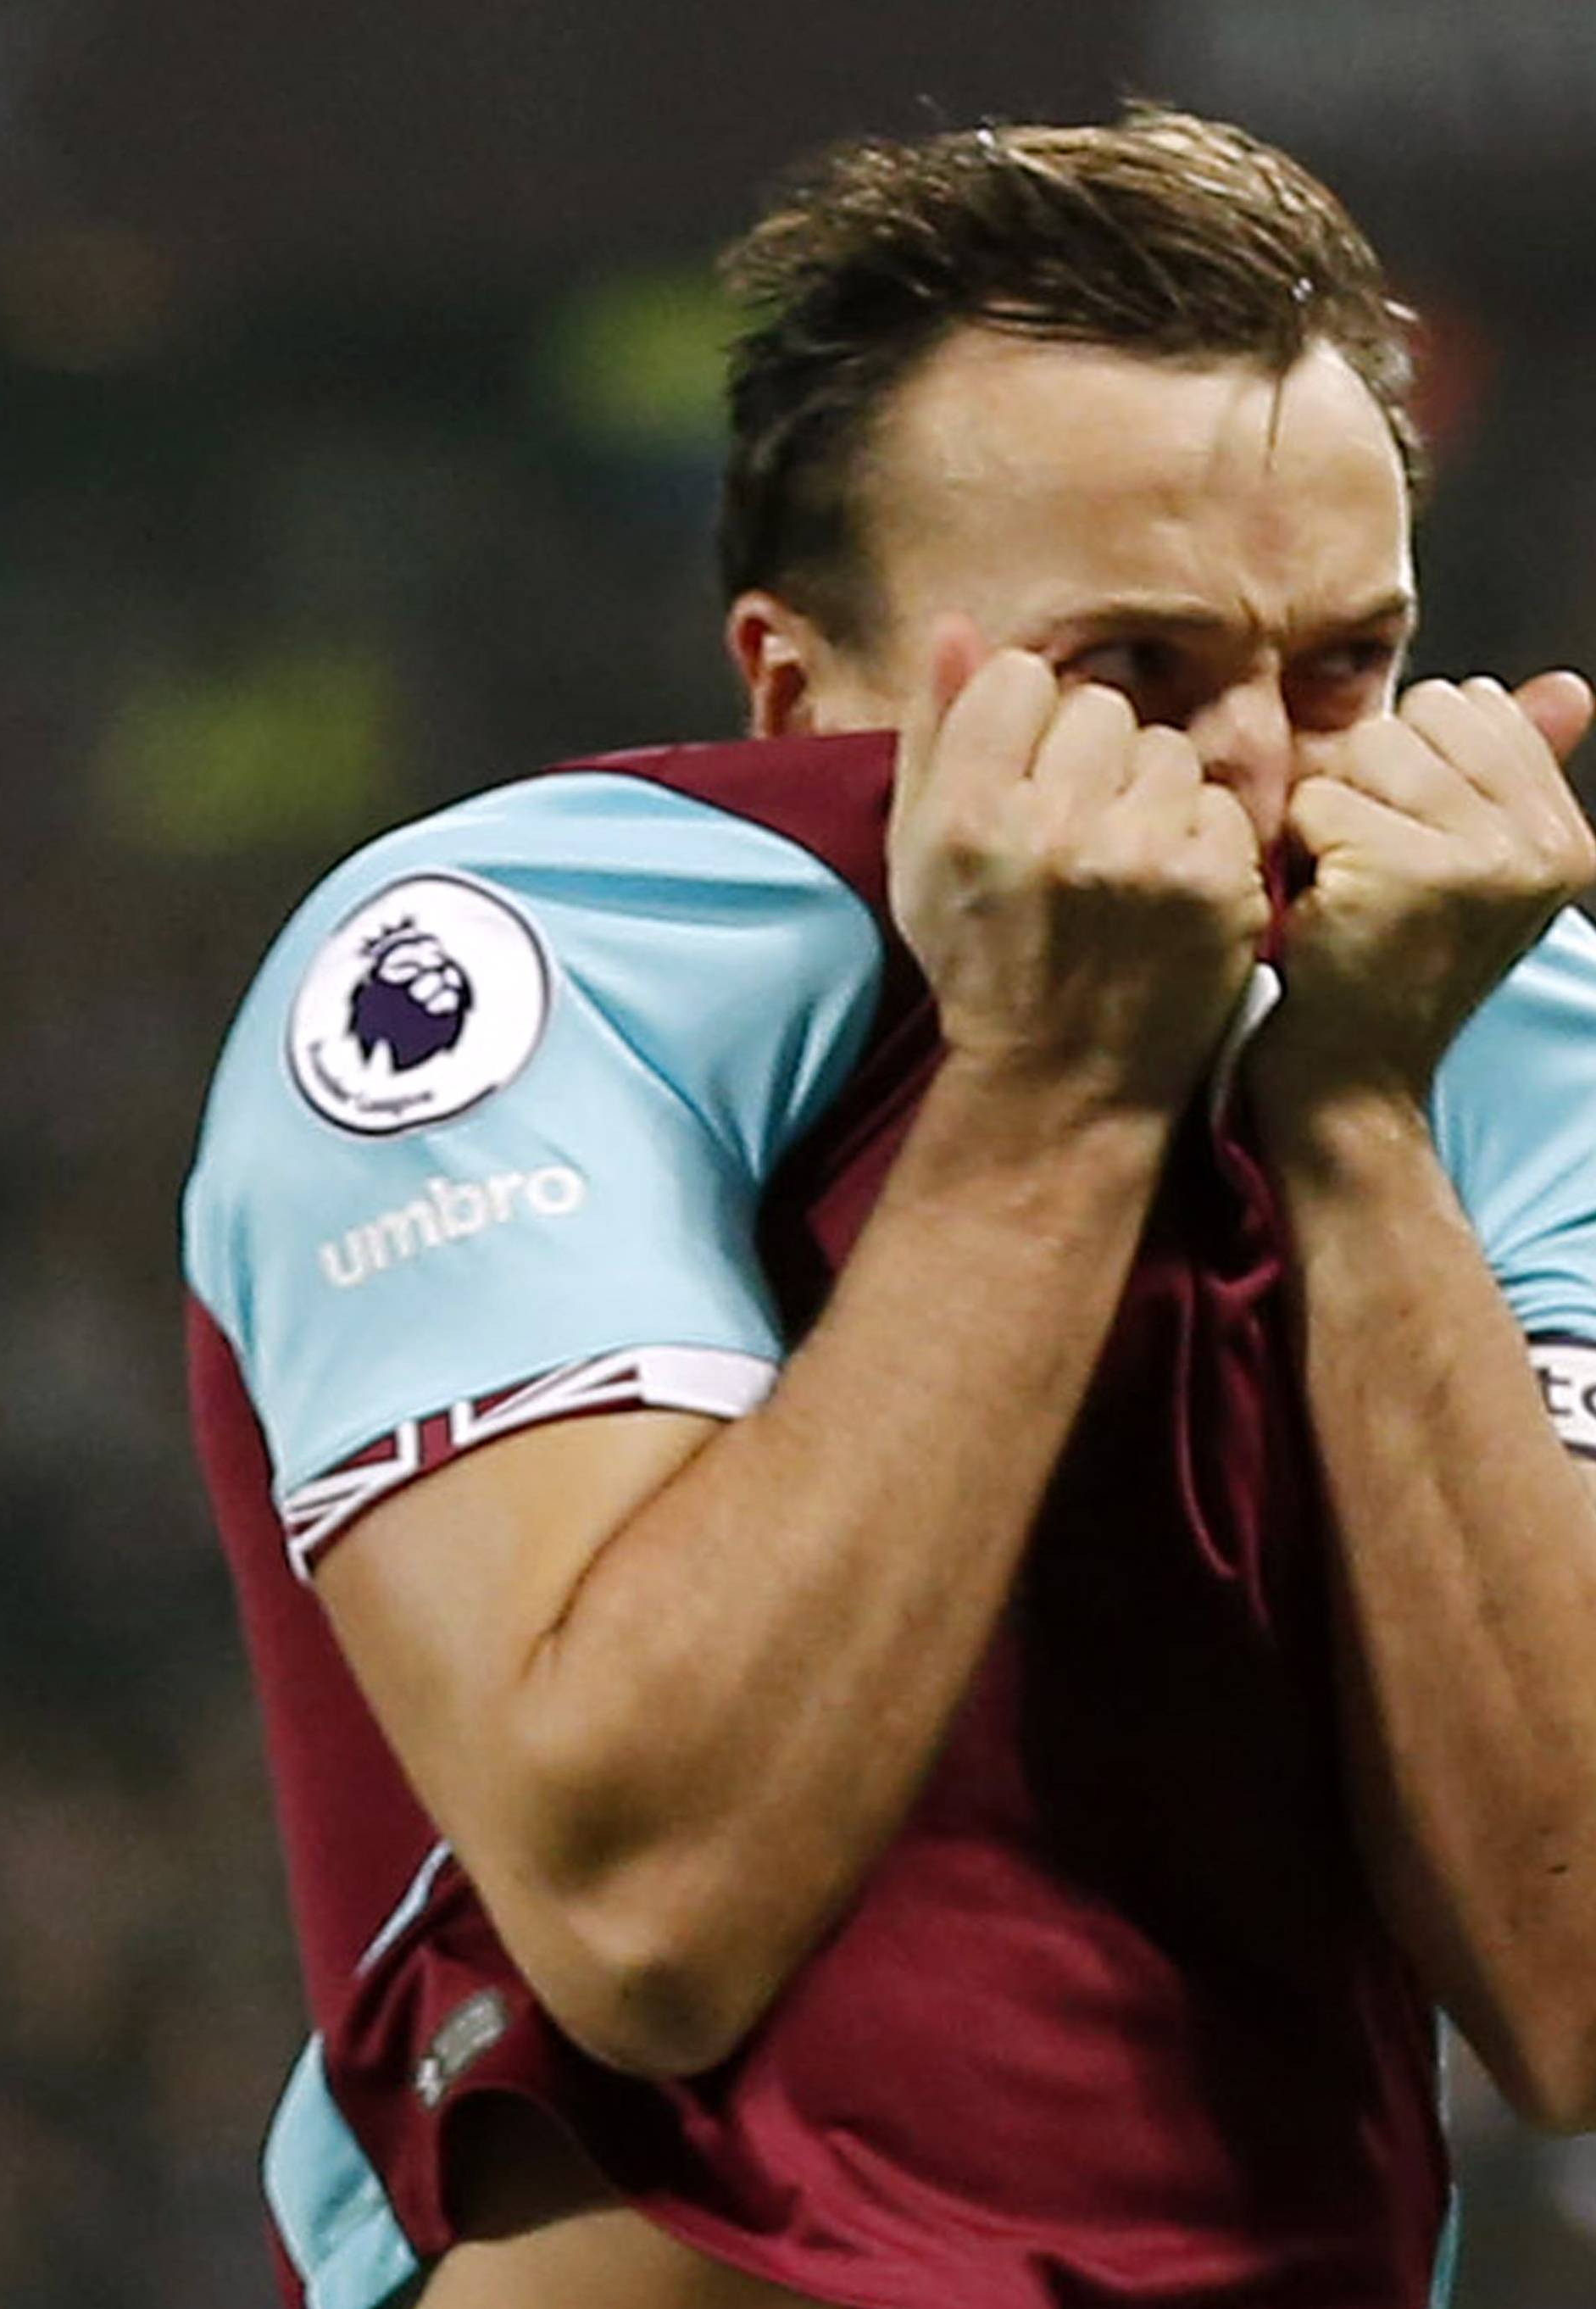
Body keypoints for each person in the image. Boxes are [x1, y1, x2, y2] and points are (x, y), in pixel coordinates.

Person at [184, 105, 1596, 2309]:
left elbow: (1572, 1972)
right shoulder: (528, 951)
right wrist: (1048, 1086)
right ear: (797, 692)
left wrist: (1360, 1129)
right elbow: (645, 1908)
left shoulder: (1513, 1018)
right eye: (1132, 672)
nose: (1264, 782)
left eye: (1340, 667)